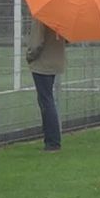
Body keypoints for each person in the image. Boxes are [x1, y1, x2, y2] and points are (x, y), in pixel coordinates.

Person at [26, 19, 65, 152]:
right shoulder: (59, 16)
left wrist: (29, 55)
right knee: (47, 99)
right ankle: (51, 138)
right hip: (55, 61)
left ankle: (53, 141)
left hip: (43, 63)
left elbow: (36, 43)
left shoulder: (41, 17)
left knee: (46, 101)